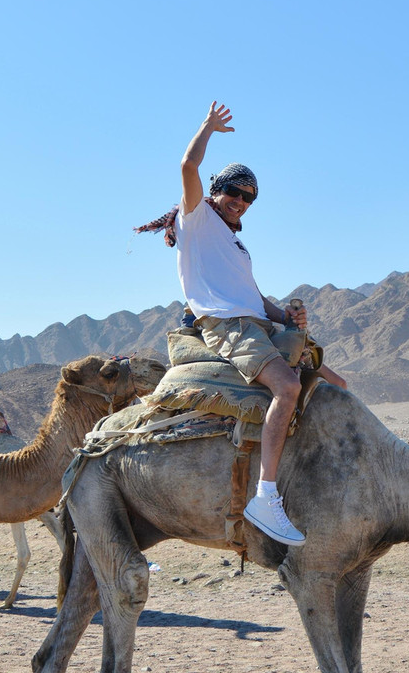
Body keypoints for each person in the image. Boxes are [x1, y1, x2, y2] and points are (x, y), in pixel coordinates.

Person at [135, 102, 346, 547]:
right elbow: (187, 164)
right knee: (287, 388)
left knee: (336, 382)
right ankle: (266, 496)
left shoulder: (234, 245)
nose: (241, 201)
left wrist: (286, 317)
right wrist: (207, 128)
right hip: (228, 326)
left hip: (253, 321)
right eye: (234, 190)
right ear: (216, 189)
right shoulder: (197, 218)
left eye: (249, 197)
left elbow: (255, 299)